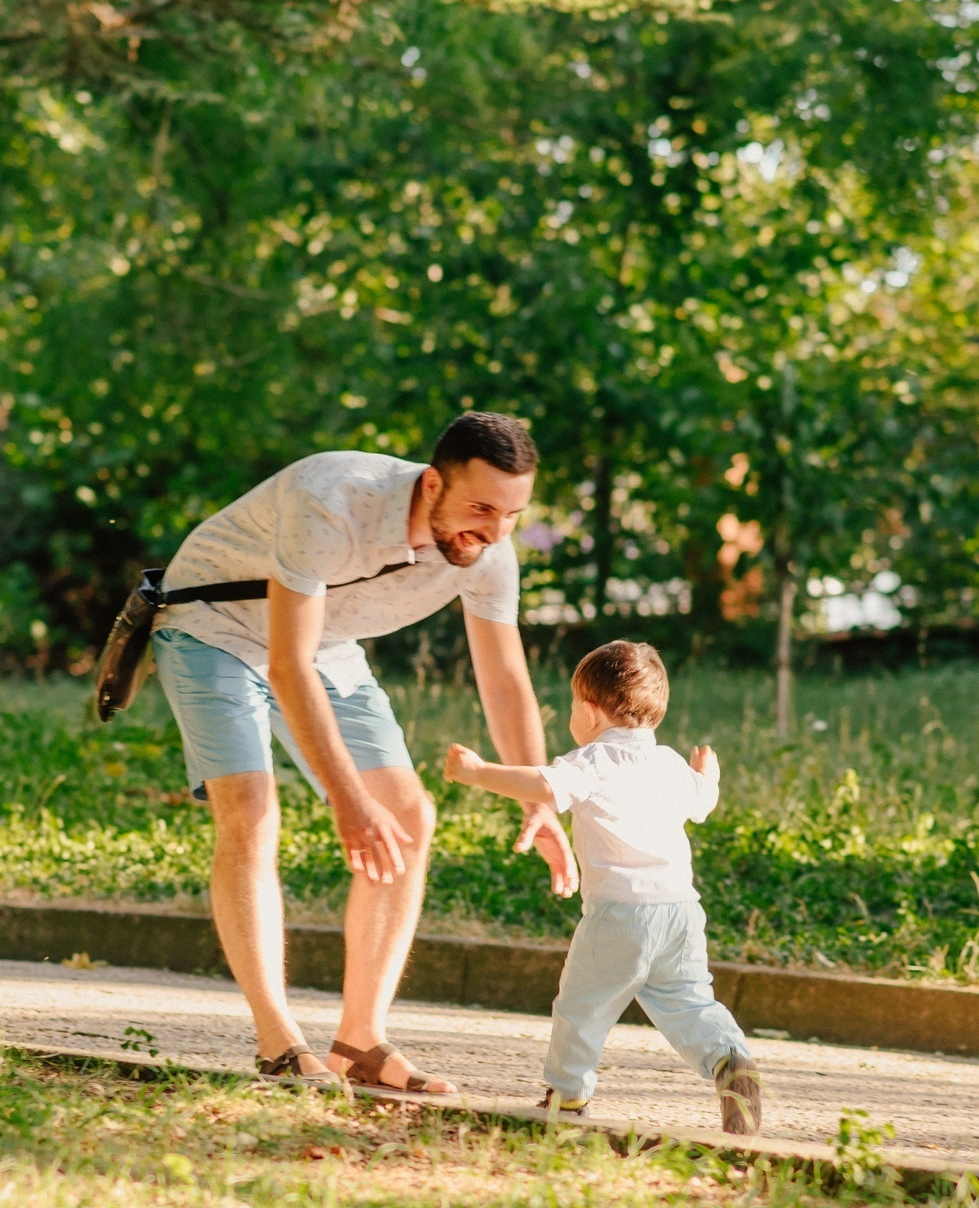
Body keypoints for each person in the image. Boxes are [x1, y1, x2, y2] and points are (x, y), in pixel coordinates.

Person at [152, 413, 576, 1093]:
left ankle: (360, 1041)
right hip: (215, 627)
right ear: (433, 483)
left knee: (409, 815)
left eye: (513, 514)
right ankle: (278, 1043)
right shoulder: (335, 498)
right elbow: (286, 666)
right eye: (481, 507)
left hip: (323, 644)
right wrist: (349, 800)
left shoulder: (490, 553)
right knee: (252, 812)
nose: (495, 531)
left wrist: (541, 795)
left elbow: (503, 678)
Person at [442, 638, 763, 1133]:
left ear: (590, 713)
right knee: (690, 1000)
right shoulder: (670, 764)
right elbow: (702, 802)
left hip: (620, 914)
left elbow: (544, 786)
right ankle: (729, 1059)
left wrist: (478, 772)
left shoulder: (592, 762)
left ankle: (567, 1094)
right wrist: (710, 777)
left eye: (573, 704)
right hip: (680, 911)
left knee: (582, 1006)